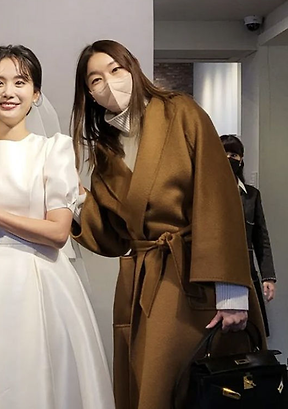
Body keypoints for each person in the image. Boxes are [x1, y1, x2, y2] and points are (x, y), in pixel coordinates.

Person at [69, 40, 265, 409]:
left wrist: (232, 294)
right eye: (95, 80)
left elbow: (218, 198)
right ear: (90, 94)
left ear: (133, 67)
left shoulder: (180, 112)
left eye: (115, 69)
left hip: (197, 279)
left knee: (207, 391)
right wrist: (75, 199)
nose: (108, 83)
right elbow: (114, 237)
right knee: (154, 389)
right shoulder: (106, 152)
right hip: (142, 286)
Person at [0, 45, 115, 409]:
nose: (8, 92)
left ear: (36, 93)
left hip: (41, 283)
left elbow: (58, 233)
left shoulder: (53, 150)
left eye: (20, 82)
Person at [220, 134, 276, 336]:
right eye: (224, 153)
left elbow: (261, 237)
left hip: (247, 271)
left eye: (234, 154)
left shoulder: (252, 195)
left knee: (252, 332)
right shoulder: (205, 193)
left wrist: (268, 277)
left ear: (241, 159)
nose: (229, 158)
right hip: (216, 272)